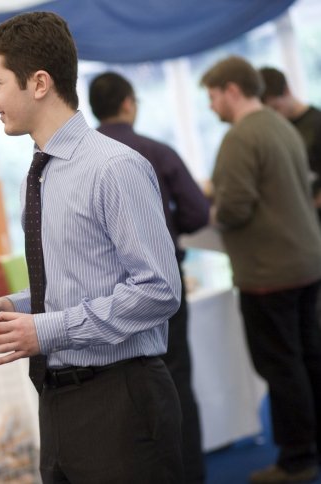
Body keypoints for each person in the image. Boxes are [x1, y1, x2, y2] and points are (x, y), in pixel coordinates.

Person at [0, 12, 184, 483]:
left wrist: (47, 330)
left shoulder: (113, 168)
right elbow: (78, 282)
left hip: (121, 400)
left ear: (39, 83)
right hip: (58, 401)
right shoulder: (40, 173)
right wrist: (9, 309)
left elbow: (160, 291)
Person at [201, 56, 321, 484]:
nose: (212, 107)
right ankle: (309, 448)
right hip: (305, 261)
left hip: (269, 273)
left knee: (281, 366)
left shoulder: (240, 137)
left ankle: (296, 459)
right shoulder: (281, 125)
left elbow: (234, 206)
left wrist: (208, 211)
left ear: (232, 90)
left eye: (213, 97)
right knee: (308, 358)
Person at [89, 71, 209, 484]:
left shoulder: (81, 163)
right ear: (129, 103)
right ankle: (189, 475)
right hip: (160, 286)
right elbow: (198, 213)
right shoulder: (155, 152)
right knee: (175, 379)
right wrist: (165, 224)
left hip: (103, 297)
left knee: (116, 393)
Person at [259, 66, 321, 218]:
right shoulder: (277, 130)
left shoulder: (317, 123)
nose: (275, 117)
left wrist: (309, 207)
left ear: (287, 91)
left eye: (276, 108)